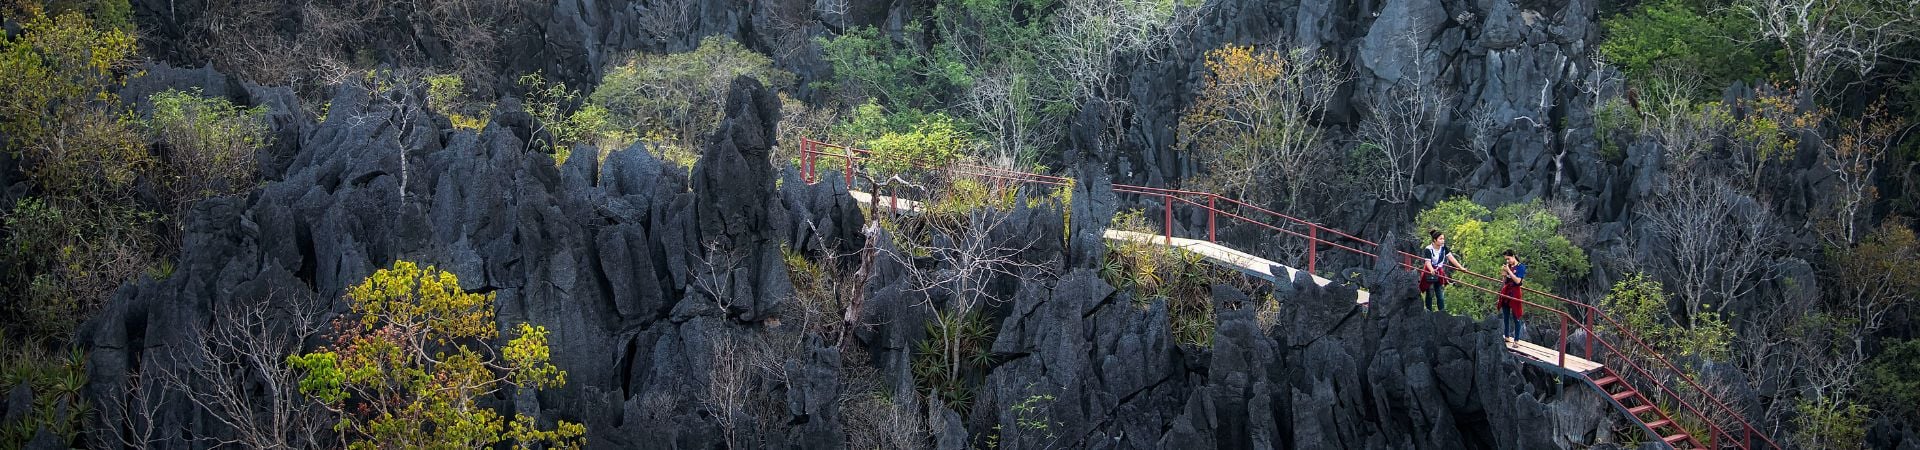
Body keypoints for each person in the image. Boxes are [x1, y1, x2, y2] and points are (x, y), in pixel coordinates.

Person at [1418, 229, 1463, 312]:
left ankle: (1442, 312)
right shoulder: (1428, 249)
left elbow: (1451, 258)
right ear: (1435, 240)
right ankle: (1429, 312)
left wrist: (1461, 268)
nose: (1443, 241)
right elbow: (1427, 262)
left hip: (1439, 272)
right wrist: (1431, 270)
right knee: (1430, 293)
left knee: (1440, 295)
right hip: (1429, 272)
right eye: (1440, 239)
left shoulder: (1443, 248)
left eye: (1443, 239)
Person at [1498, 249, 1527, 341]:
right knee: (1506, 316)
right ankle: (1506, 336)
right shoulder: (1508, 266)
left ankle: (1516, 339)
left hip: (1515, 292)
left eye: (1508, 259)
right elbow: (1505, 282)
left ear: (1513, 256)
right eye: (1506, 259)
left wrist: (1509, 271)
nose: (1508, 261)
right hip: (1506, 291)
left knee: (1516, 317)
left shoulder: (1520, 267)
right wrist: (1504, 275)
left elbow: (1518, 281)